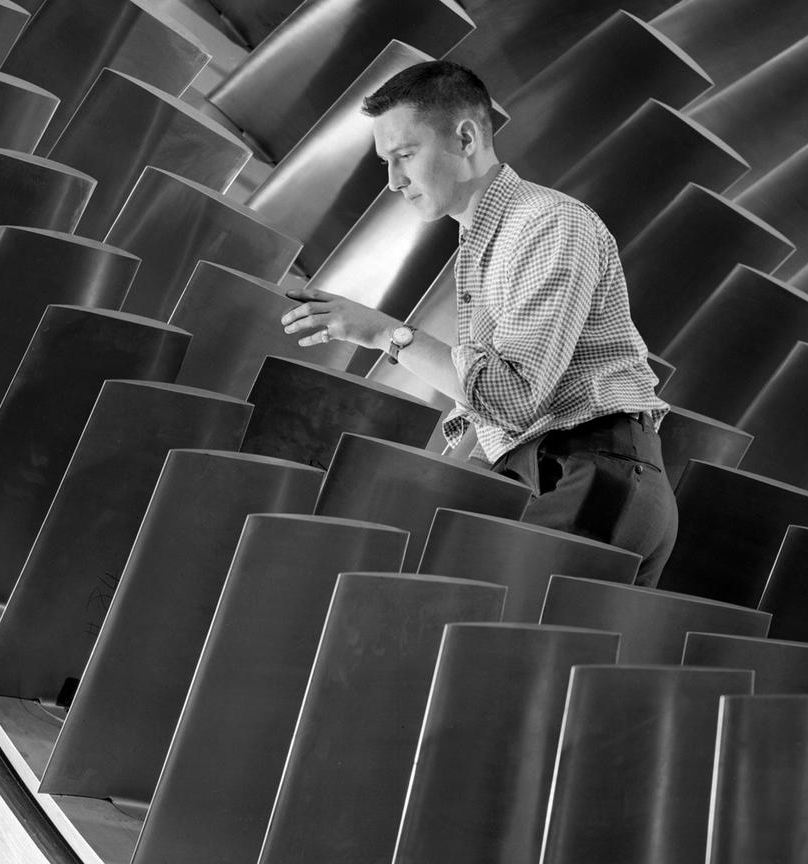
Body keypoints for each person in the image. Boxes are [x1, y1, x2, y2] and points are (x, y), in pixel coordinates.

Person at [280, 61, 677, 586]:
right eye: (386, 162)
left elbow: (513, 396)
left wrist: (385, 334)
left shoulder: (545, 223)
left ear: (466, 136)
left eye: (404, 156)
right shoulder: (486, 241)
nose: (394, 182)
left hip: (586, 475)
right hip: (570, 477)